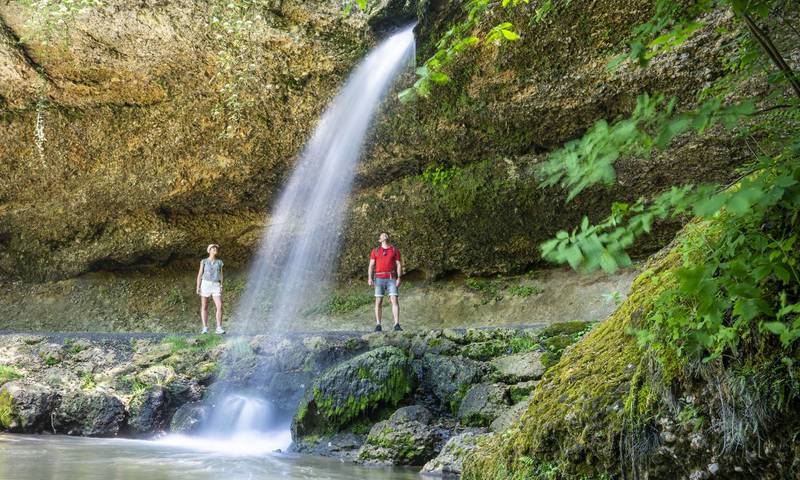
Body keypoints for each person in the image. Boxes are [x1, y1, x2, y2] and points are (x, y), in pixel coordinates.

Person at [367, 232, 402, 332]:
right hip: (379, 278)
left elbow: (398, 264)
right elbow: (371, 265)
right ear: (379, 240)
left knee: (394, 300)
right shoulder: (376, 250)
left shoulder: (394, 250)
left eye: (385, 234)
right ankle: (378, 324)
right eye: (382, 235)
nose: (384, 235)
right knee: (378, 301)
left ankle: (397, 324)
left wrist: (399, 278)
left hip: (391, 277)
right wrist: (370, 278)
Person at [196, 244, 226, 335]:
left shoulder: (219, 262)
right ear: (209, 250)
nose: (215, 249)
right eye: (213, 248)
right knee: (204, 305)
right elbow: (200, 274)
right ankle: (205, 328)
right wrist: (198, 286)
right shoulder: (204, 261)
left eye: (216, 248)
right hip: (205, 284)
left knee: (219, 305)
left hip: (216, 285)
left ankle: (219, 328)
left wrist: (221, 285)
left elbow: (221, 274)